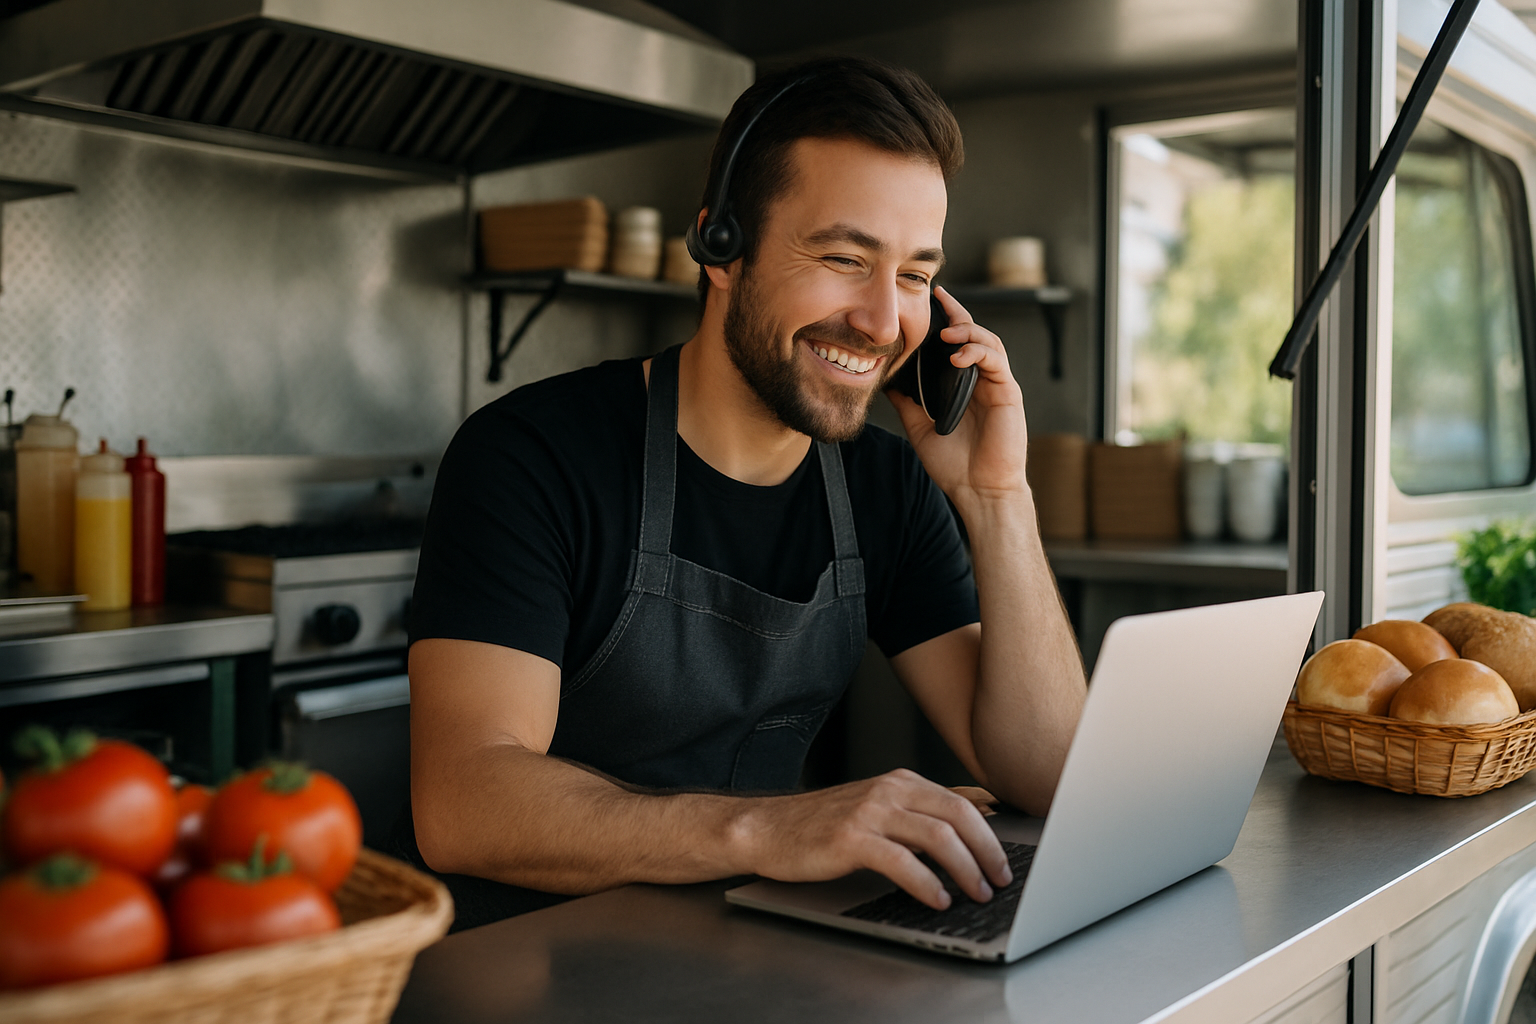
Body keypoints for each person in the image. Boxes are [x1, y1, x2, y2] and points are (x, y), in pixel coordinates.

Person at [396, 56, 1087, 932]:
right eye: (844, 257)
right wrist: (772, 825)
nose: (883, 322)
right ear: (720, 247)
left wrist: (999, 500)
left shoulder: (886, 485)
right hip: (523, 967)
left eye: (913, 276)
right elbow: (464, 803)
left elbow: (1050, 775)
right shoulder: (531, 456)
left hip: (746, 958)